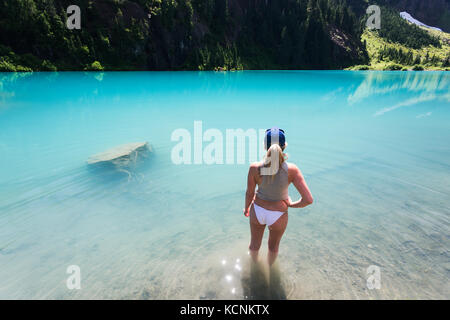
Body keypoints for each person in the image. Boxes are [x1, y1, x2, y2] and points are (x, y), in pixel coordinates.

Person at [243, 127, 313, 266]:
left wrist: (246, 209)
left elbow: (249, 193)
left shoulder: (254, 168)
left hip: (258, 211)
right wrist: (290, 204)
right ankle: (270, 271)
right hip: (279, 214)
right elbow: (308, 200)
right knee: (273, 248)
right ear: (284, 146)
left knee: (254, 246)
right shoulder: (292, 170)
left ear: (265, 146)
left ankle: (255, 269)